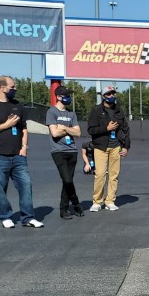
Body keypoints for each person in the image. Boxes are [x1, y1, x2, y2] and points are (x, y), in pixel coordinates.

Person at [0, 76, 43, 228]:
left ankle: (28, 217)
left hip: (18, 155)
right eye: (13, 87)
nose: (15, 89)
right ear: (2, 88)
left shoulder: (18, 106)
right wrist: (6, 125)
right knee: (1, 188)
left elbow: (24, 128)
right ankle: (5, 216)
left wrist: (24, 147)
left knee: (26, 185)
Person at [86, 86, 129, 212]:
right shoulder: (96, 110)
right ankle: (97, 202)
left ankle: (110, 200)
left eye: (113, 94)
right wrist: (106, 128)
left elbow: (126, 130)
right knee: (99, 175)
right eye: (109, 94)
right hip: (100, 147)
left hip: (116, 147)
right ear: (104, 96)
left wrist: (126, 146)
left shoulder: (119, 111)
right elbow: (91, 130)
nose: (112, 96)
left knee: (114, 175)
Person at [46, 86, 84, 219]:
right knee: (67, 180)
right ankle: (76, 203)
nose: (69, 98)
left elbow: (78, 133)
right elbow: (55, 133)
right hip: (58, 151)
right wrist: (69, 129)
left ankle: (63, 210)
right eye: (66, 96)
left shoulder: (71, 113)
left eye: (69, 95)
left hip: (72, 150)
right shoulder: (51, 112)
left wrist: (64, 128)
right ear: (58, 97)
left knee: (67, 181)